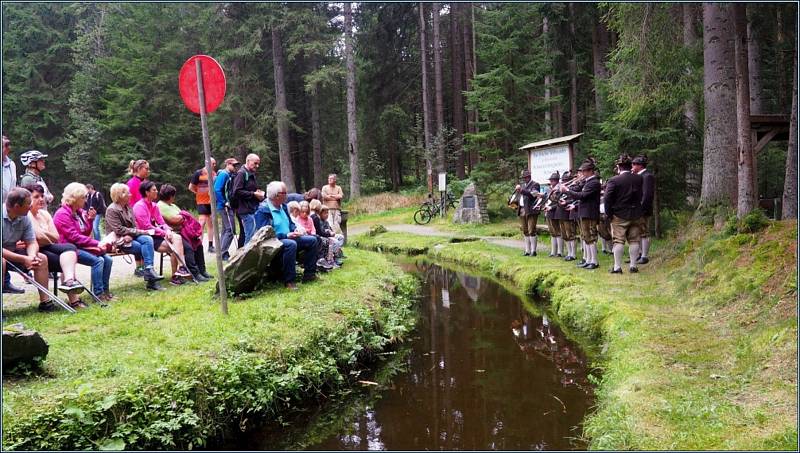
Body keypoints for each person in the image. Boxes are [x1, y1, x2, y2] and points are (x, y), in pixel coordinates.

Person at [23, 184, 87, 307]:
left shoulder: (44, 214)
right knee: (61, 260)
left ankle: (69, 282)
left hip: (47, 246)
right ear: (27, 199)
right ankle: (50, 302)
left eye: (42, 196)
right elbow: (38, 237)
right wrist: (47, 236)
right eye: (36, 197)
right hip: (35, 248)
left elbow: (55, 237)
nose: (41, 199)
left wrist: (44, 235)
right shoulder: (27, 215)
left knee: (70, 248)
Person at [53, 182, 115, 301]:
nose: (86, 200)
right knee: (98, 261)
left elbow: (84, 233)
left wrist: (90, 220)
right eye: (83, 197)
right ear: (74, 198)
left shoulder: (79, 212)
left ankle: (105, 291)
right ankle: (98, 294)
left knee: (108, 259)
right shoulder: (62, 214)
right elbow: (74, 237)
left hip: (80, 246)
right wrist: (97, 243)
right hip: (69, 248)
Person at [254, 181, 318, 290]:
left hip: (289, 237)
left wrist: (295, 229)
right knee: (291, 244)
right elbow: (265, 235)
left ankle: (309, 275)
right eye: (284, 193)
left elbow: (290, 224)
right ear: (277, 195)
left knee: (313, 240)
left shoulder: (283, 206)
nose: (287, 195)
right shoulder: (262, 210)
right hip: (273, 242)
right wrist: (286, 235)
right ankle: (289, 281)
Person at [2, 187, 57, 311]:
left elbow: (32, 242)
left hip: (13, 251)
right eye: (28, 203)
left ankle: (45, 303)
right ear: (17, 206)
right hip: (4, 253)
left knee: (41, 258)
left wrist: (31, 256)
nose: (30, 206)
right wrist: (23, 258)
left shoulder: (24, 216)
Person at [104, 183, 165, 291]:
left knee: (148, 239)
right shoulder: (112, 209)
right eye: (128, 193)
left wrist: (136, 233)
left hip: (131, 236)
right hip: (119, 239)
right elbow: (118, 229)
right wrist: (137, 232)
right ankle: (151, 281)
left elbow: (133, 224)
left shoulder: (128, 207)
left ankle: (149, 270)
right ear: (121, 195)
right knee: (142, 247)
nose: (131, 195)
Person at [132, 180, 192, 285]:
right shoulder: (139, 206)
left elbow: (162, 222)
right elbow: (146, 226)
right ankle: (178, 274)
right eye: (154, 190)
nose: (157, 191)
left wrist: (168, 230)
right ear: (147, 192)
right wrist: (164, 233)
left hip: (157, 234)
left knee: (176, 239)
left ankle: (180, 270)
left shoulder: (154, 206)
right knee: (176, 244)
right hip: (147, 236)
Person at [157, 184, 212, 282]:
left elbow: (181, 217)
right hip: (173, 234)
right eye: (174, 195)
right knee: (188, 248)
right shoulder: (160, 205)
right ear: (170, 196)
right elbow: (174, 220)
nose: (174, 197)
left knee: (198, 244)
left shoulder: (172, 205)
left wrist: (182, 217)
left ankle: (202, 270)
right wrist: (183, 217)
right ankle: (193, 273)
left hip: (183, 231)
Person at [603, 154, 644, 274]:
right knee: (634, 240)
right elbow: (641, 195)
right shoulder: (639, 178)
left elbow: (607, 198)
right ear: (630, 165)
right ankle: (633, 265)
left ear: (618, 166)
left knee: (619, 241)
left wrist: (609, 213)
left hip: (619, 215)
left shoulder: (614, 180)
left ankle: (617, 267)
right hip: (636, 213)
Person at [561, 161, 601, 270]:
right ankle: (588, 260)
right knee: (586, 237)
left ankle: (594, 261)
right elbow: (577, 190)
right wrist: (565, 189)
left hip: (590, 212)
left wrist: (567, 190)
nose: (582, 174)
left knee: (591, 236)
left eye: (584, 171)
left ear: (590, 171)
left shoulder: (594, 182)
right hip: (584, 212)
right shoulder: (587, 182)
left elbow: (582, 195)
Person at [2, 135, 24, 294]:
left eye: (6, 147)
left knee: (8, 242)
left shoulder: (11, 165)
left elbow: (13, 184)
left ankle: (6, 281)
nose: (5, 149)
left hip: (8, 206)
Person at [230, 153, 265, 245]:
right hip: (244, 210)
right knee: (250, 236)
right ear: (248, 161)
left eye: (258, 164)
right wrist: (253, 194)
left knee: (252, 235)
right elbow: (236, 191)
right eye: (255, 163)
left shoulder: (250, 173)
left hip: (251, 208)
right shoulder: (241, 173)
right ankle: (246, 258)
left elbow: (248, 189)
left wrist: (258, 193)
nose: (257, 166)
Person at [213, 157, 240, 261]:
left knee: (225, 229)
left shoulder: (229, 175)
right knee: (230, 230)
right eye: (233, 165)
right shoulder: (224, 174)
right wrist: (224, 202)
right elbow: (217, 189)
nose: (235, 167)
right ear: (228, 164)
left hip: (226, 206)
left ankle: (222, 252)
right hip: (224, 206)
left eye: (236, 165)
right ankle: (222, 253)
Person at [188, 157, 217, 253]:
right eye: (212, 164)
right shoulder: (198, 173)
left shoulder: (214, 174)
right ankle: (198, 245)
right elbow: (191, 187)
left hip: (211, 202)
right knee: (202, 222)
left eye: (214, 164)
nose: (214, 166)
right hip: (202, 201)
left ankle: (210, 245)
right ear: (207, 163)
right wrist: (199, 192)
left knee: (210, 223)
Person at [514, 169, 543, 257]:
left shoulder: (535, 184)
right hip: (522, 209)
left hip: (531, 210)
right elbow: (520, 197)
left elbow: (532, 194)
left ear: (529, 177)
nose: (525, 179)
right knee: (525, 230)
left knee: (531, 230)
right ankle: (527, 250)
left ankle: (533, 251)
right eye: (524, 177)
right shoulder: (523, 186)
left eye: (526, 177)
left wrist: (521, 190)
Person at [632, 155, 655, 265]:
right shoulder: (639, 176)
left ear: (639, 165)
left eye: (634, 164)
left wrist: (642, 208)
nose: (632, 166)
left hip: (643, 209)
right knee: (639, 232)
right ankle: (640, 253)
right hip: (638, 208)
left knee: (644, 232)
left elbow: (647, 195)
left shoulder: (647, 176)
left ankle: (645, 255)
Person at [554, 171, 577, 261]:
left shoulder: (573, 188)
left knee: (570, 234)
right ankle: (569, 253)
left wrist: (566, 202)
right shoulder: (561, 189)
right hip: (560, 213)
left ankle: (573, 254)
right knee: (565, 235)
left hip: (568, 213)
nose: (564, 182)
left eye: (566, 180)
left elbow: (573, 199)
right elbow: (555, 198)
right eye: (563, 180)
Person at [544, 172, 563, 258]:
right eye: (551, 180)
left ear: (556, 181)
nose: (551, 182)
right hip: (548, 211)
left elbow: (559, 202)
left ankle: (560, 252)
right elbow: (546, 200)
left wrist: (551, 208)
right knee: (552, 232)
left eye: (552, 180)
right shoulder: (549, 189)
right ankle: (553, 251)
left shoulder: (559, 189)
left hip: (555, 211)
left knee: (557, 232)